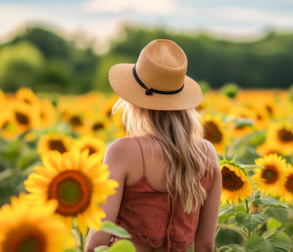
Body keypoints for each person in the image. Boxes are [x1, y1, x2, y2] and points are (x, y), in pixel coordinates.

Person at [86, 39, 222, 252]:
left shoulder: (123, 151)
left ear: (134, 101)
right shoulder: (206, 154)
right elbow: (205, 246)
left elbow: (97, 241)